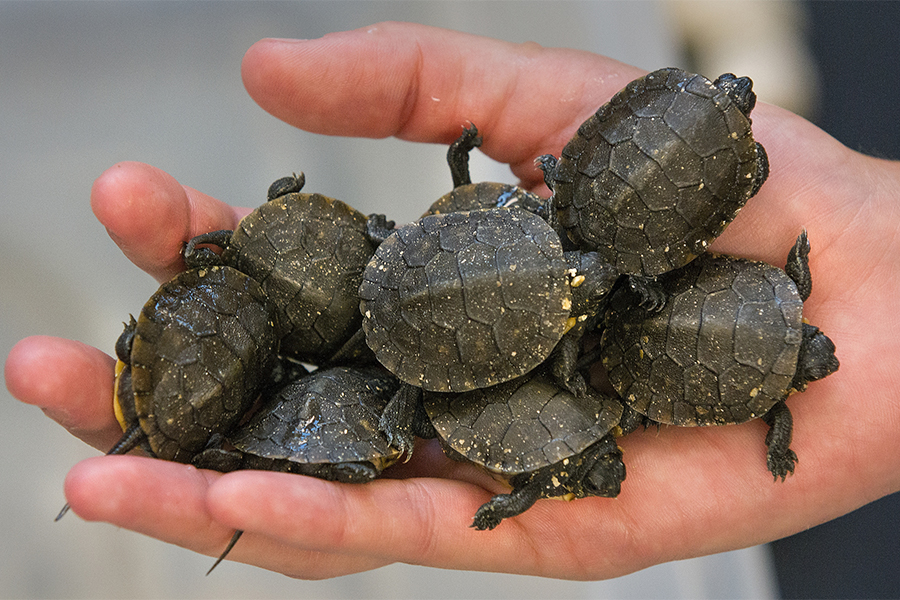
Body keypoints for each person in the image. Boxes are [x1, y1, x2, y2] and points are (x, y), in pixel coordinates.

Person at [5, 21, 899, 580]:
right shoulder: (550, 244)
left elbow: (524, 216)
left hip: (475, 296)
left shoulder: (541, 234)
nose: (742, 96)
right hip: (465, 302)